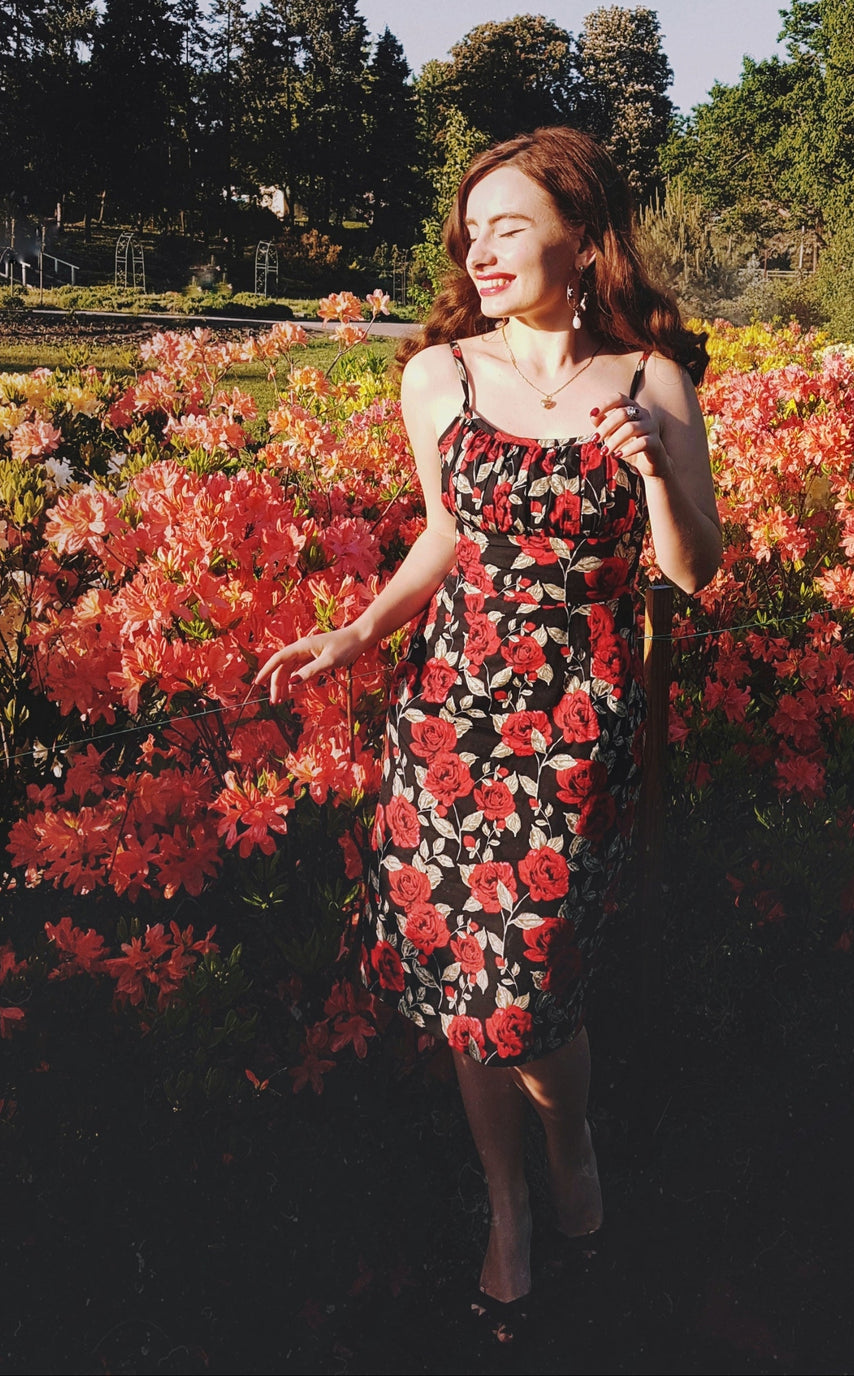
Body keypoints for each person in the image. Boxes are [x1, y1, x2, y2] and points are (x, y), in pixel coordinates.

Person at [256, 126, 722, 1339]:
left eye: (511, 225)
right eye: (473, 231)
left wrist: (655, 474)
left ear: (583, 237)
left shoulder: (652, 383)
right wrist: (359, 634)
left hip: (577, 724)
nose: (482, 249)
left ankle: (571, 1142)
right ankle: (509, 1207)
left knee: (528, 987)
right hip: (450, 714)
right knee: (472, 978)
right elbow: (446, 532)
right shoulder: (441, 377)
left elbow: (693, 571)